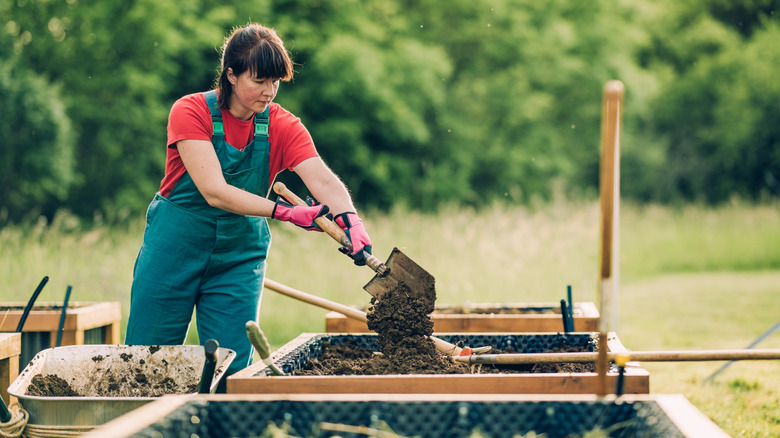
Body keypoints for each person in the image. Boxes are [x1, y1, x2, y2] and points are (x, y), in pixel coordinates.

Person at [124, 22, 372, 390]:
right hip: (172, 251)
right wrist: (286, 212)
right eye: (259, 81)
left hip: (237, 258)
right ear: (231, 74)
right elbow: (214, 191)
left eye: (275, 81)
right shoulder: (190, 111)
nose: (269, 91)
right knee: (146, 363)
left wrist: (350, 219)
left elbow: (320, 178)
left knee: (233, 370)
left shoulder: (283, 125)